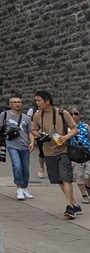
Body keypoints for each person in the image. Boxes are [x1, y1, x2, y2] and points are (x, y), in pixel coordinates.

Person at [29, 91, 79, 219]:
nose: (36, 103)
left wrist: (65, 136)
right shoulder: (37, 115)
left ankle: (69, 206)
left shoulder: (62, 113)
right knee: (58, 180)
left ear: (47, 101)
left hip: (63, 150)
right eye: (36, 100)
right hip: (48, 151)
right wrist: (40, 136)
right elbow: (33, 130)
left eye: (38, 100)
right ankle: (73, 203)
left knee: (66, 177)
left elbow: (74, 129)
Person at [0, 93, 34, 200]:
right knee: (17, 165)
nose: (17, 104)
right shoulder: (5, 115)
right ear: (10, 104)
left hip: (24, 146)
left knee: (26, 169)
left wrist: (32, 142)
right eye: (15, 102)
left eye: (19, 102)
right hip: (12, 145)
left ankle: (24, 188)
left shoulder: (26, 118)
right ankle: (19, 187)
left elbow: (30, 132)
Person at [67, 107, 90, 205]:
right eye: (71, 114)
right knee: (79, 175)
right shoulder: (68, 127)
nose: (73, 116)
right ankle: (84, 194)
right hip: (76, 155)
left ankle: (88, 187)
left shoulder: (86, 126)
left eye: (75, 113)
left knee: (87, 174)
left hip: (87, 152)